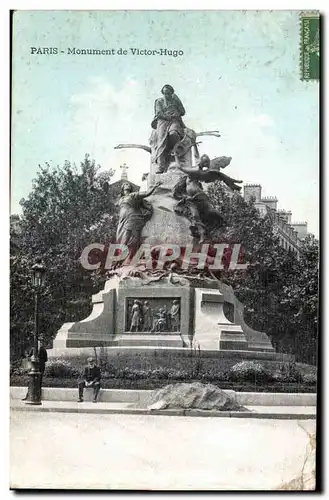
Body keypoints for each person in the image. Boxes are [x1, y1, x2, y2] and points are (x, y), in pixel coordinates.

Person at [116, 181, 162, 252]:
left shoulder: (133, 195)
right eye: (125, 184)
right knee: (121, 234)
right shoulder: (121, 199)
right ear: (123, 188)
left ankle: (123, 252)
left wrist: (155, 186)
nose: (127, 185)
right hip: (122, 218)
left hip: (131, 215)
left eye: (128, 184)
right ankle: (125, 252)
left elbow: (147, 193)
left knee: (127, 233)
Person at [151, 85, 186, 173]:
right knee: (161, 140)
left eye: (169, 93)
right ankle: (160, 165)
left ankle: (177, 155)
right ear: (163, 93)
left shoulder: (175, 101)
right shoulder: (159, 101)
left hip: (174, 121)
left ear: (171, 93)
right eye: (165, 93)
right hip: (163, 121)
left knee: (174, 134)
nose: (167, 95)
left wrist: (178, 101)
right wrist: (168, 116)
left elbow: (182, 112)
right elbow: (159, 113)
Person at [21, 335, 48, 401]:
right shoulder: (34, 349)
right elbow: (29, 357)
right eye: (38, 342)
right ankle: (29, 396)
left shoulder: (43, 349)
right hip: (34, 367)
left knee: (39, 381)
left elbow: (45, 359)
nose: (39, 343)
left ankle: (38, 396)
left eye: (40, 342)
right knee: (31, 381)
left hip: (40, 367)